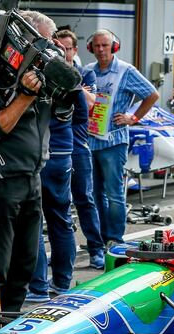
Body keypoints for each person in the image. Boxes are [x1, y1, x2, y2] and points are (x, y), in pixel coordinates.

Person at [0, 25, 52, 312]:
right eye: (39, 42)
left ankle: (10, 321)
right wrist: (25, 95)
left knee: (25, 263)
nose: (44, 50)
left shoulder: (37, 76)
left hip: (31, 177)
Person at [21, 11, 76, 302]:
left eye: (30, 35)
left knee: (39, 219)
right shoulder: (63, 65)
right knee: (58, 218)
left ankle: (41, 286)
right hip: (57, 151)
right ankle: (60, 284)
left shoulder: (44, 65)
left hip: (47, 152)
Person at [85, 30, 159, 245]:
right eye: (96, 46)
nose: (100, 50)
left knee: (114, 193)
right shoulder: (88, 71)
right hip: (90, 141)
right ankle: (99, 238)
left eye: (105, 45)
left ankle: (115, 238)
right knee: (93, 194)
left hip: (113, 142)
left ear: (114, 47)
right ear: (91, 48)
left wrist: (133, 117)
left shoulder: (126, 71)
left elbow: (152, 94)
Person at [57, 28, 105, 270]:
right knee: (58, 203)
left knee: (85, 199)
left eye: (68, 48)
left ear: (75, 50)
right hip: (55, 148)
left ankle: (97, 249)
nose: (63, 52)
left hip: (78, 146)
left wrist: (71, 84)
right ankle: (63, 256)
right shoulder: (48, 72)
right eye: (59, 47)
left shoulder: (86, 73)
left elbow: (89, 102)